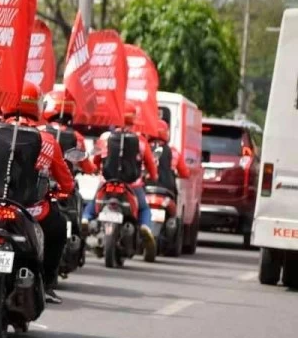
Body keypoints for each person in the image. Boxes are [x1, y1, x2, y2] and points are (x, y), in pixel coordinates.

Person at [0, 83, 74, 303]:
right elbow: (66, 182)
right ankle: (47, 283)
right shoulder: (48, 141)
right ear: (36, 106)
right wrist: (63, 191)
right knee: (59, 227)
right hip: (30, 211)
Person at [85, 107, 158, 258]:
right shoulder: (141, 141)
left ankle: (85, 219)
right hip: (132, 185)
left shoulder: (105, 138)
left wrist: (96, 169)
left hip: (106, 183)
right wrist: (153, 176)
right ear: (134, 119)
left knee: (92, 205)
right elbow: (151, 166)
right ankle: (145, 226)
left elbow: (95, 161)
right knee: (144, 209)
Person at [42, 90, 97, 175]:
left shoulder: (40, 131)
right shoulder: (77, 137)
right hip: (65, 184)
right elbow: (87, 167)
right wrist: (94, 168)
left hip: (40, 183)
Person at [148, 116, 191, 194]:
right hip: (167, 188)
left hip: (146, 187)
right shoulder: (174, 152)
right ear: (166, 132)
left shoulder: (144, 147)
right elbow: (185, 173)